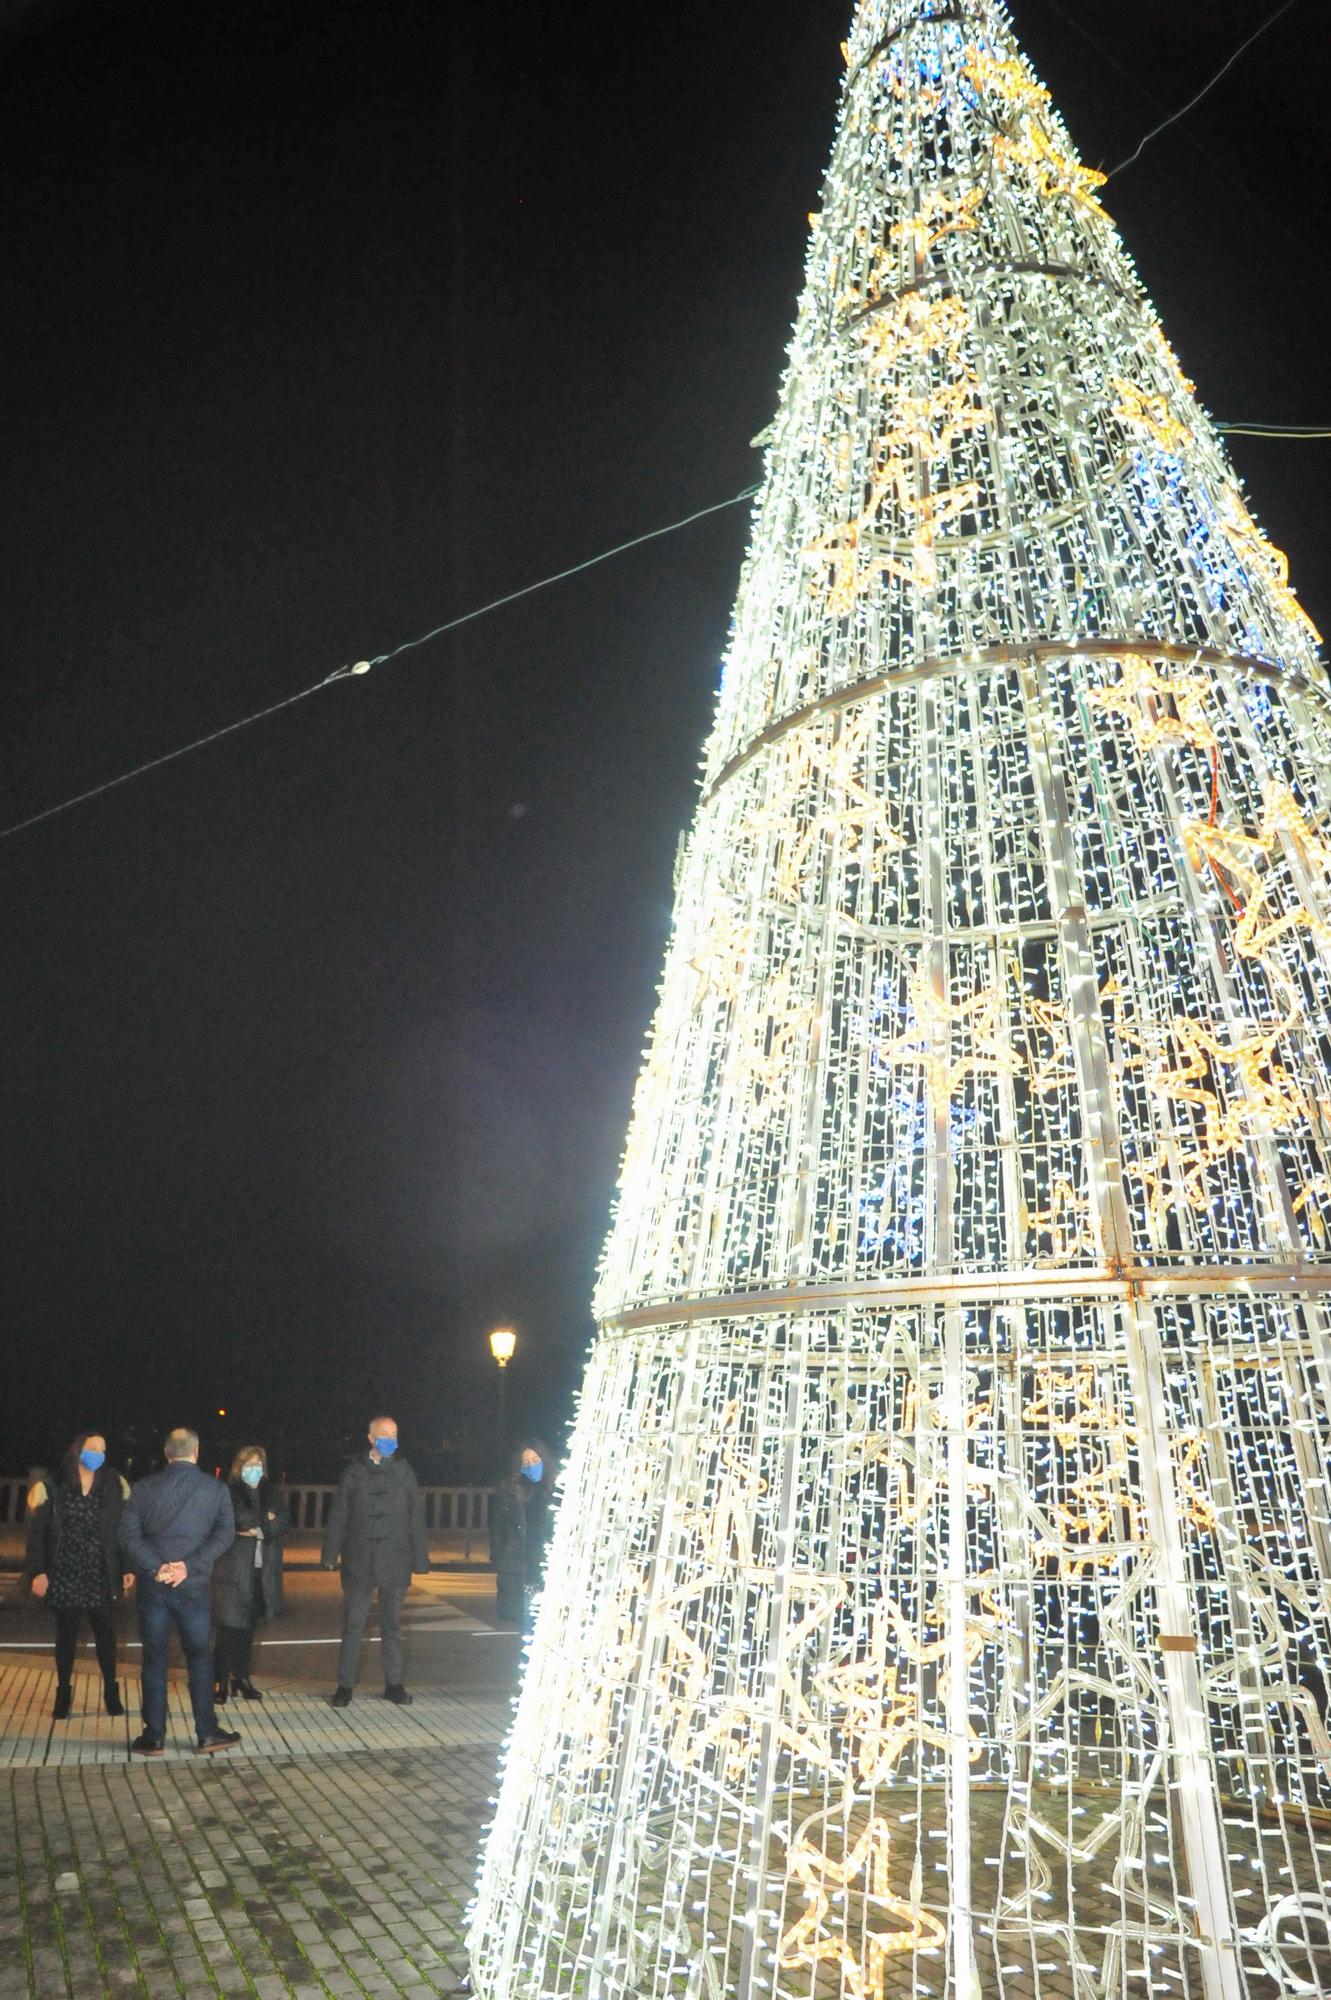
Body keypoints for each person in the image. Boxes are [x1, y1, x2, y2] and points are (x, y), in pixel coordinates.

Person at [119, 1427, 239, 1756]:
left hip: (154, 1588)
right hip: (194, 1587)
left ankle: (153, 1736)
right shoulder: (215, 1489)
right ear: (196, 1452)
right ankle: (206, 1733)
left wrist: (157, 1566)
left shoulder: (143, 1489)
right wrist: (189, 1566)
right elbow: (225, 1534)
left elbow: (128, 1536)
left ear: (167, 1453)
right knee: (200, 1659)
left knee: (154, 1659)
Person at [25, 1433, 135, 1719]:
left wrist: (127, 1567)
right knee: (66, 1634)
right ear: (78, 1450)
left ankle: (111, 1690)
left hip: (101, 1570)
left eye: (103, 1448)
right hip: (65, 1570)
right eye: (92, 1448)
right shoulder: (55, 1484)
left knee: (106, 1634)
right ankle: (63, 1692)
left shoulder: (113, 1483)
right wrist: (38, 1571)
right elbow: (37, 1533)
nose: (98, 1453)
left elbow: (122, 1531)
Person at [321, 1414, 428, 1707]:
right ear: (370, 1438)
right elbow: (339, 1515)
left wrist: (420, 1559)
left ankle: (394, 1684)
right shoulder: (353, 1472)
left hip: (396, 1560)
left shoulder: (405, 1472)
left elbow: (415, 1517)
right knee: (353, 1626)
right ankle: (344, 1686)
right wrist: (330, 1554)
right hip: (359, 1560)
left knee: (392, 1626)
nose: (389, 1439)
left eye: (394, 1434)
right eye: (383, 1434)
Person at [213, 1445, 289, 1704]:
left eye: (258, 1464)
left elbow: (284, 1520)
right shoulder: (228, 1490)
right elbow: (239, 1519)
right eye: (248, 1464)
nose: (253, 1469)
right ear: (239, 1466)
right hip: (234, 1570)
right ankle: (219, 1681)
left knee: (249, 1628)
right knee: (228, 1628)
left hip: (261, 1569)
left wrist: (259, 1529)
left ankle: (241, 1677)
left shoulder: (272, 1491)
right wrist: (265, 1520)